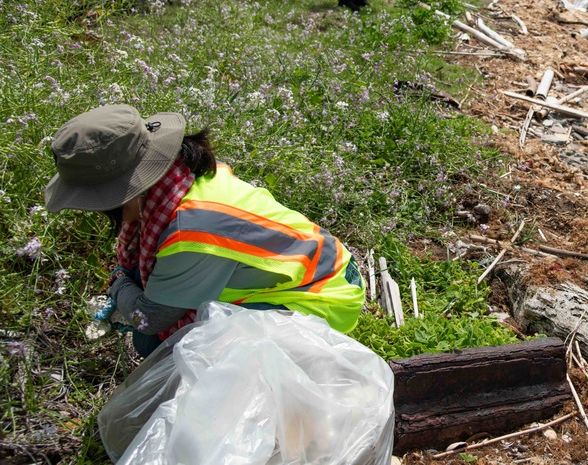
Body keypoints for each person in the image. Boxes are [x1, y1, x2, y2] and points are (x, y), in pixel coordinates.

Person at [44, 105, 365, 357]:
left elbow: (150, 318)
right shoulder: (180, 178)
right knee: (147, 306)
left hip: (322, 294)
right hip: (321, 264)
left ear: (123, 192)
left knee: (152, 342)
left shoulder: (188, 232)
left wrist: (117, 284)